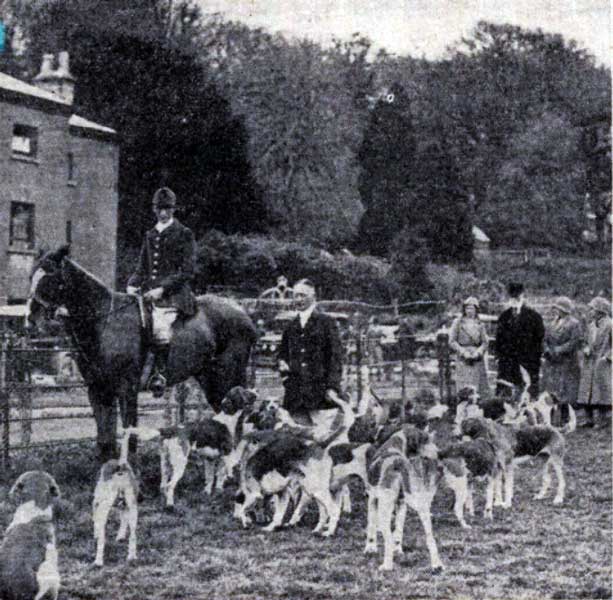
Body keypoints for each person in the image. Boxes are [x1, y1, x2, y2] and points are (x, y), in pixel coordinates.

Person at [127, 187, 197, 395]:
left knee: (160, 327)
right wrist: (132, 284)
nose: (163, 213)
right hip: (150, 294)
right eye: (159, 209)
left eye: (167, 209)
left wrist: (162, 289)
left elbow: (187, 271)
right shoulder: (150, 234)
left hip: (175, 295)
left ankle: (160, 374)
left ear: (173, 210)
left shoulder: (184, 233)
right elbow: (142, 268)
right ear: (154, 210)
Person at [277, 279, 343, 431]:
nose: (298, 299)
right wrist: (284, 372)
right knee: (297, 442)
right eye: (295, 296)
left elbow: (336, 358)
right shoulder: (290, 326)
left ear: (313, 296)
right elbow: (282, 355)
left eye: (302, 295)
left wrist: (332, 387)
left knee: (324, 438)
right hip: (295, 397)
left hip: (320, 396)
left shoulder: (326, 323)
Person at [495, 282, 545, 398]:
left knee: (527, 393)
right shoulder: (504, 316)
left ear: (523, 296)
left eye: (517, 297)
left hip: (527, 361)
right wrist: (499, 357)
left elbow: (539, 340)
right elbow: (499, 339)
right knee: (506, 393)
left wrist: (534, 359)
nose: (514, 300)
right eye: (512, 297)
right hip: (507, 361)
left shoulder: (534, 317)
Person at [541, 297, 583, 410]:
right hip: (553, 361)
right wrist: (547, 349)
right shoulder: (551, 323)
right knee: (552, 387)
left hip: (567, 361)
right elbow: (545, 339)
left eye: (558, 308)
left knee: (566, 389)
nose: (556, 310)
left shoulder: (574, 324)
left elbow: (574, 341)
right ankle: (553, 410)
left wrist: (558, 350)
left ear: (564, 310)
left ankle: (567, 412)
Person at [577, 297, 612, 428]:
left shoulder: (610, 324)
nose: (590, 311)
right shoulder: (591, 325)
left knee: (603, 391)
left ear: (600, 310)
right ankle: (588, 418)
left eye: (592, 309)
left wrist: (608, 357)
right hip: (590, 361)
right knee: (587, 391)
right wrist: (586, 348)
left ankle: (604, 419)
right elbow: (585, 341)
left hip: (603, 363)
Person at [449, 297, 491, 400]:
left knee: (478, 387)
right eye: (467, 308)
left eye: (472, 308)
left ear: (476, 309)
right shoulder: (458, 322)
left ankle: (477, 410)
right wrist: (463, 352)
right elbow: (452, 341)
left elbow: (485, 342)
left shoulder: (480, 323)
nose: (469, 311)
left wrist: (478, 352)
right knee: (463, 387)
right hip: (463, 359)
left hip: (477, 359)